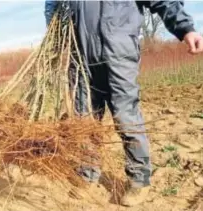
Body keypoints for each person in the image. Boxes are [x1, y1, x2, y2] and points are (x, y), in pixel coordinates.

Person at [44, 0, 203, 207]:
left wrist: (185, 28)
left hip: (118, 55)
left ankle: (139, 179)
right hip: (80, 58)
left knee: (126, 116)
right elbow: (53, 7)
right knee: (84, 119)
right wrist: (55, 43)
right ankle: (87, 173)